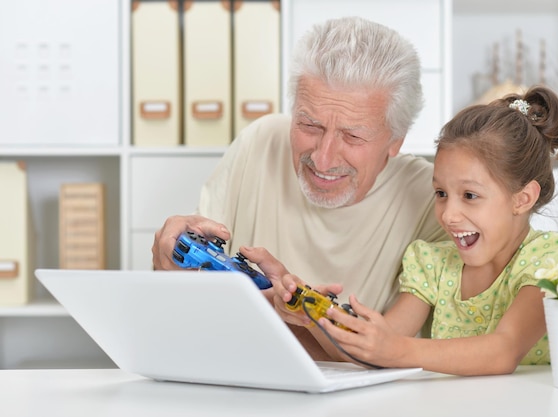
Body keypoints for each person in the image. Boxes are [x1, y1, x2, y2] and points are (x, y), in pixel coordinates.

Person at [151, 16, 447, 358]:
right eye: (309, 125)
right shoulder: (260, 141)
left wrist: (299, 311)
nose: (322, 159)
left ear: (396, 140)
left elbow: (387, 354)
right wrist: (167, 262)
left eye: (352, 136)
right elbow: (183, 305)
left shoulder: (433, 200)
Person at [271, 85, 558, 375]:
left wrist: (398, 351)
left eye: (470, 196)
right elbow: (373, 351)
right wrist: (310, 312)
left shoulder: (549, 259)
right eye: (441, 193)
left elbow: (504, 350)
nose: (449, 214)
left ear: (522, 199)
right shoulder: (432, 263)